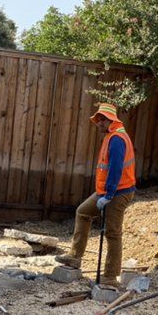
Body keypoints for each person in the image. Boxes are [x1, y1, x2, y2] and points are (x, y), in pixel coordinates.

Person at [55, 103, 136, 288]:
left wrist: (108, 195)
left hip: (119, 191)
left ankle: (110, 276)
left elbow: (115, 169)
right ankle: (75, 257)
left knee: (112, 233)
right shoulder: (110, 136)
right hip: (108, 191)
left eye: (100, 120)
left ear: (109, 120)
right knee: (83, 212)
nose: (97, 124)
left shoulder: (117, 139)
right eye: (97, 120)